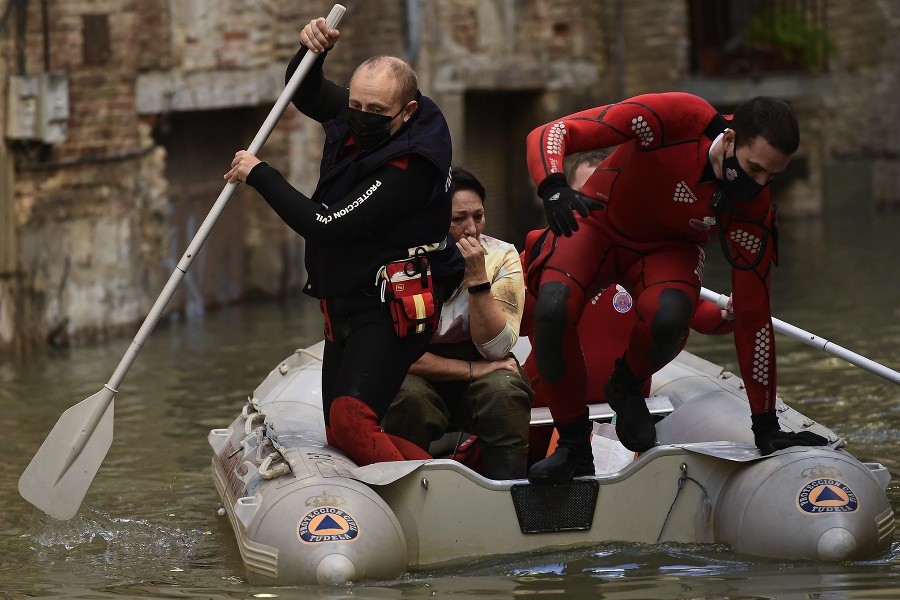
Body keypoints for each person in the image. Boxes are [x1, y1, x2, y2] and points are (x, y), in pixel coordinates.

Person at [523, 92, 828, 484]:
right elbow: (554, 131)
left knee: (671, 315)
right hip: (597, 223)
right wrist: (552, 186)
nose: (760, 184)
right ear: (731, 139)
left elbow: (753, 315)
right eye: (754, 169)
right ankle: (575, 448)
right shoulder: (677, 117)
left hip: (667, 250)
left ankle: (626, 385)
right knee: (553, 306)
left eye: (772, 176)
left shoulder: (752, 209)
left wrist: (766, 425)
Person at [225, 17, 464, 467]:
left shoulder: (412, 165)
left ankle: (448, 488)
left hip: (392, 302)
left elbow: (327, 223)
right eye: (356, 105)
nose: (361, 117)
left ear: (407, 111)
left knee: (353, 420)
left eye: (375, 111)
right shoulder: (363, 115)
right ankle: (426, 476)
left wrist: (262, 175)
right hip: (348, 295)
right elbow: (308, 92)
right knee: (338, 430)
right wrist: (311, 53)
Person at [381, 167, 534, 480]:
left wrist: (478, 279)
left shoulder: (501, 255)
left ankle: (508, 492)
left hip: (480, 357)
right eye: (457, 219)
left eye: (478, 216)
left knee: (505, 391)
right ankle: (407, 490)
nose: (471, 230)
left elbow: (497, 350)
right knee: (408, 399)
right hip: (415, 367)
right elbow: (397, 355)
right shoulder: (397, 261)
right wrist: (474, 370)